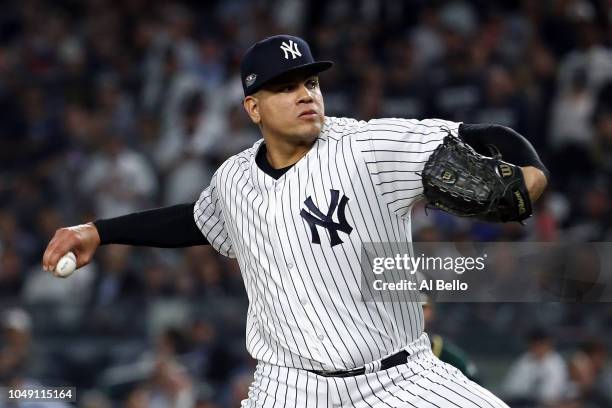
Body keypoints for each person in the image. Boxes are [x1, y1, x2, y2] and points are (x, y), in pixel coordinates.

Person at [43, 35, 548, 406]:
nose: (306, 93)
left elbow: (481, 133)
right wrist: (98, 231)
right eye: (286, 87)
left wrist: (531, 173)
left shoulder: (368, 147)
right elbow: (195, 222)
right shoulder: (234, 179)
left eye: (310, 81)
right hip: (289, 387)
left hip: (399, 378)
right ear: (253, 107)